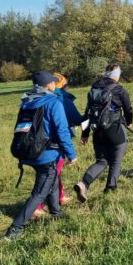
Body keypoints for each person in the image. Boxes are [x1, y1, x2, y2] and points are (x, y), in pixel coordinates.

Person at [5, 72, 78, 240]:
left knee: (51, 179)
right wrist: (71, 154)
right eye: (53, 82)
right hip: (47, 153)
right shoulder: (53, 102)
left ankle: (56, 213)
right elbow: (62, 130)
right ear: (48, 85)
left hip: (29, 151)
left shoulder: (26, 102)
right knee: (39, 191)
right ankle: (16, 227)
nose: (54, 84)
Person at [74, 63, 133, 203]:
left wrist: (85, 134)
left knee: (101, 161)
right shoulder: (119, 89)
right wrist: (129, 122)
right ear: (117, 76)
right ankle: (110, 188)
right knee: (116, 160)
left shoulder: (94, 88)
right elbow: (128, 109)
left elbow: (88, 113)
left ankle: (84, 183)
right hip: (115, 130)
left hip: (97, 131)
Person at [34, 73, 85, 217]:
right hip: (54, 144)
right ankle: (37, 206)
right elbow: (75, 120)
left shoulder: (35, 98)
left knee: (55, 172)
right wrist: (89, 114)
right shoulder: (60, 99)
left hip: (37, 143)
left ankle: (60, 196)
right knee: (51, 174)